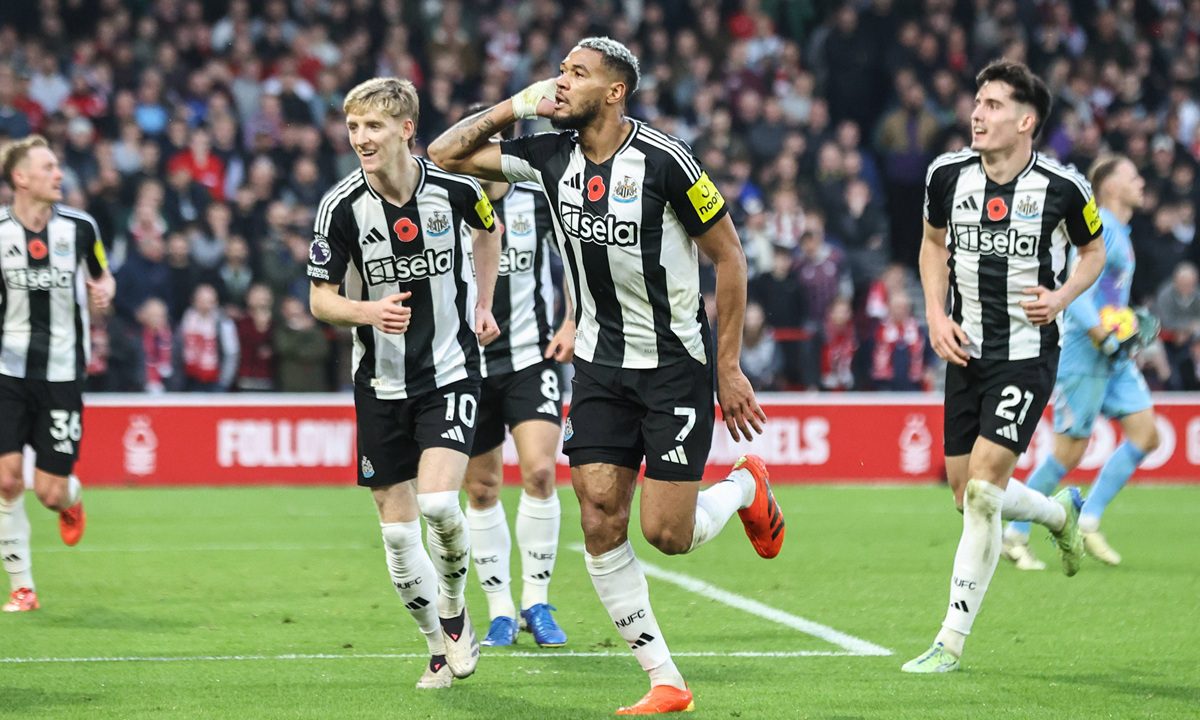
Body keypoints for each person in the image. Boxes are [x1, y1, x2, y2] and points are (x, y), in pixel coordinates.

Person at [429, 37, 783, 715]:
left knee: (668, 534)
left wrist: (728, 367)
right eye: (559, 71)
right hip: (598, 365)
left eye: (577, 74)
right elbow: (444, 155)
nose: (561, 82)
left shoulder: (666, 161)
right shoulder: (549, 157)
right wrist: (515, 104)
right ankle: (665, 680)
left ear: (615, 92)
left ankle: (744, 486)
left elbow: (730, 258)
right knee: (598, 518)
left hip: (675, 366)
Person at [903, 59, 1107, 673]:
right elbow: (932, 243)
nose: (977, 113)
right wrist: (935, 315)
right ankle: (1057, 513)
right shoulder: (946, 174)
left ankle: (949, 642)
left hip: (1027, 354)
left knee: (985, 493)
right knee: (965, 495)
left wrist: (1062, 297)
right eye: (977, 102)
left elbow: (1094, 251)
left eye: (992, 105)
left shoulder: (1065, 188)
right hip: (965, 352)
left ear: (1026, 121)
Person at [307, 78, 501, 690]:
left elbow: (489, 229)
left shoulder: (457, 190)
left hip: (450, 372)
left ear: (406, 129)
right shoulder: (340, 207)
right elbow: (319, 300)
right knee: (396, 535)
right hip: (379, 382)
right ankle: (437, 645)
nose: (360, 138)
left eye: (373, 126)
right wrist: (369, 311)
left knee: (440, 504)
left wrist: (485, 303)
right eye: (354, 127)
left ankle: (455, 609)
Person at [455, 106, 576, 649]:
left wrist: (573, 319)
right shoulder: (447, 203)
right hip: (467, 368)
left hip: (532, 357)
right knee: (482, 487)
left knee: (541, 473)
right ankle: (500, 609)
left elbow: (574, 260)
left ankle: (537, 601)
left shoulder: (537, 199)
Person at [1004, 156, 1159, 569]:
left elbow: (1107, 296)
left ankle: (1088, 519)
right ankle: (1014, 533)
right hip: (1085, 352)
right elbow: (1075, 293)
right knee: (1067, 454)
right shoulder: (1101, 227)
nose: (1141, 183)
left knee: (1146, 434)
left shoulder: (1120, 232)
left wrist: (1125, 324)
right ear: (1110, 186)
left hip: (1113, 354)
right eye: (1132, 176)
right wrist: (1102, 335)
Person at [0, 134, 115, 612]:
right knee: (7, 480)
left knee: (48, 492)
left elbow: (103, 274)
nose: (58, 173)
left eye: (57, 166)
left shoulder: (81, 228)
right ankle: (22, 587)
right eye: (48, 167)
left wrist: (104, 291)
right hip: (7, 372)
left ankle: (71, 497)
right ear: (21, 177)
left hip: (64, 374)